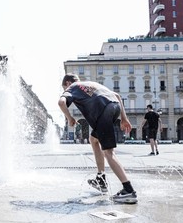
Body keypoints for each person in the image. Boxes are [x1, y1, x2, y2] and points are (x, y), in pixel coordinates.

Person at [58, 74, 136, 203]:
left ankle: (128, 190)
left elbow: (61, 103)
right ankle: (101, 178)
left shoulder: (71, 88)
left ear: (67, 83)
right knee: (93, 139)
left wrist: (70, 118)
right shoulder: (88, 85)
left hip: (104, 112)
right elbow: (116, 96)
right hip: (114, 107)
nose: (64, 89)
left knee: (108, 152)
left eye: (63, 87)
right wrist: (123, 118)